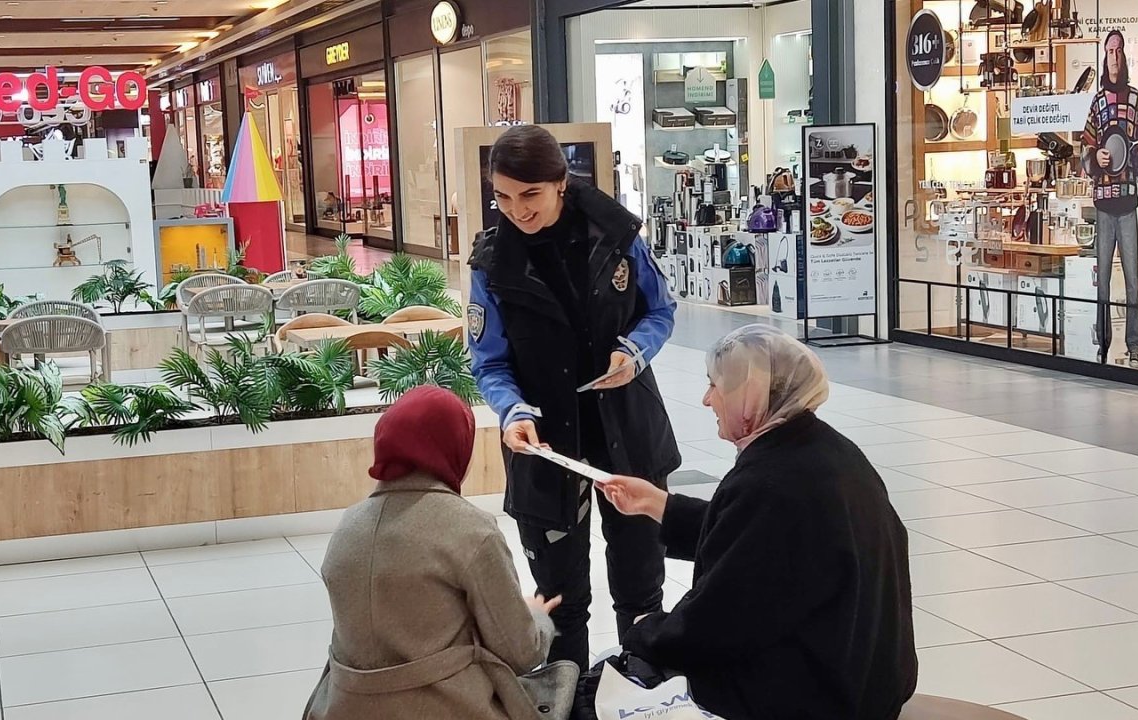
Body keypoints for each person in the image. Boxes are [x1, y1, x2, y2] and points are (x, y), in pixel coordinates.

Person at [596, 325, 917, 720]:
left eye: (715, 386)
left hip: (822, 696)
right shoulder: (824, 451)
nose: (706, 399)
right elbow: (757, 541)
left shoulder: (772, 482)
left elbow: (719, 623)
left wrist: (645, 630)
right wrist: (659, 504)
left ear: (750, 397)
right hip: (867, 676)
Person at [468, 124, 681, 670]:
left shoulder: (617, 235)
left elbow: (660, 310)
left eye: (530, 195)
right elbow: (489, 361)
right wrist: (512, 412)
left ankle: (640, 699)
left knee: (641, 592)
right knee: (561, 604)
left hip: (628, 434)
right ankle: (567, 704)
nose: (517, 210)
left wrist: (634, 351)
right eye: (503, 197)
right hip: (545, 446)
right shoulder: (492, 265)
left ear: (560, 183)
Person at [303, 386, 575, 720]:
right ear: (456, 446)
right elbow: (520, 651)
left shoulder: (347, 527)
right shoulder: (471, 530)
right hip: (446, 707)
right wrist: (537, 617)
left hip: (344, 708)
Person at [1081, 29, 1138, 369]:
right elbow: (1086, 148)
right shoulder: (1097, 102)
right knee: (1104, 282)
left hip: (1127, 203)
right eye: (1109, 51)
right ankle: (1103, 344)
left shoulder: (1136, 99)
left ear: (1124, 57)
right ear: (1104, 56)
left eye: (1118, 51)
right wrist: (1097, 158)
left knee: (1130, 280)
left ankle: (1135, 345)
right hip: (1103, 203)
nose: (1113, 57)